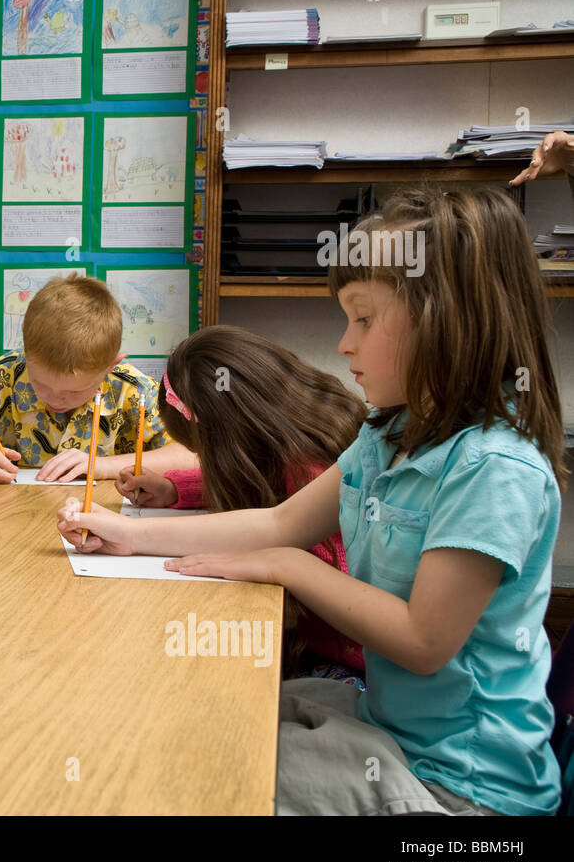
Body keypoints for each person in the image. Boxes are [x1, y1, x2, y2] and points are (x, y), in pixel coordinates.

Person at [58, 187, 565, 815]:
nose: (345, 344)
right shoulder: (390, 435)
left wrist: (291, 564)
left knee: (206, 783)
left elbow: (423, 640)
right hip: (394, 730)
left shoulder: (494, 467)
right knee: (195, 718)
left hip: (466, 792)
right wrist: (130, 536)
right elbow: (279, 521)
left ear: (443, 318)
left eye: (364, 319)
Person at [117, 325, 368, 681]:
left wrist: (130, 534)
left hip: (350, 662)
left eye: (204, 451)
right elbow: (259, 479)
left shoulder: (308, 467)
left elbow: (279, 525)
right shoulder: (298, 438)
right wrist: (177, 489)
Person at [0, 273, 196, 483]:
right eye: (41, 385)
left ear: (111, 365)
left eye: (75, 391)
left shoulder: (132, 389)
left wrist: (101, 466)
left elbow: (191, 457)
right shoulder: (1, 378)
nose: (56, 399)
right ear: (25, 343)